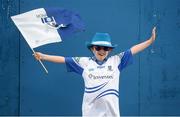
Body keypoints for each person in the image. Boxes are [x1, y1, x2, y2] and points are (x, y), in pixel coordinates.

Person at [34, 27, 156, 117]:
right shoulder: (83, 62)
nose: (101, 51)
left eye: (105, 48)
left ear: (110, 50)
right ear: (92, 48)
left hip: (112, 114)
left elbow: (133, 50)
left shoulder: (116, 61)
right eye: (98, 47)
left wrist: (150, 41)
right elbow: (63, 59)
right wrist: (43, 56)